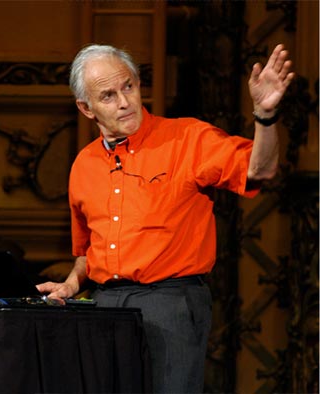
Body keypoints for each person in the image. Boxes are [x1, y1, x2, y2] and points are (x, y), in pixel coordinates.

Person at [36, 43, 294, 393]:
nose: (124, 101)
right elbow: (88, 251)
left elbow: (260, 170)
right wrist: (71, 284)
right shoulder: (83, 164)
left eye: (128, 86)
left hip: (169, 303)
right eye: (108, 96)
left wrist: (265, 116)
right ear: (86, 108)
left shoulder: (187, 138)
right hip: (103, 305)